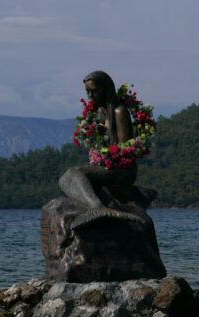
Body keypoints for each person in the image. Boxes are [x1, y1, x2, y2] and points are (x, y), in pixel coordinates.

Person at [59, 71, 145, 229]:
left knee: (73, 173)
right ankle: (95, 206)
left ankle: (97, 208)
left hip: (122, 170)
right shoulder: (100, 112)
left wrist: (106, 159)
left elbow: (126, 150)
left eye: (94, 91)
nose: (90, 95)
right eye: (87, 92)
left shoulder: (119, 111)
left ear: (105, 89)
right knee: (65, 179)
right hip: (108, 166)